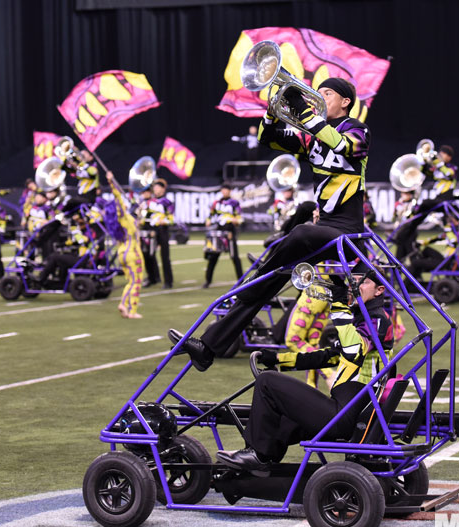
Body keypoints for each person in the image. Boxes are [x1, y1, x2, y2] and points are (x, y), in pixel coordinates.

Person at [169, 77, 370, 372]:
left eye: (326, 93)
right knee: (269, 283)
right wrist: (272, 112)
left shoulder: (357, 129)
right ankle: (208, 347)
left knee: (300, 231)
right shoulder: (313, 137)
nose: (319, 97)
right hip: (324, 233)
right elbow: (268, 138)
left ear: (345, 102)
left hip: (347, 231)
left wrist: (302, 109)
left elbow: (340, 144)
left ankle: (251, 284)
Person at [216, 269, 393, 472]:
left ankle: (258, 455)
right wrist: (279, 359)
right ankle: (253, 473)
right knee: (284, 418)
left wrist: (338, 305)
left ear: (379, 290)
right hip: (345, 410)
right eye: (351, 281)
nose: (353, 286)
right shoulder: (364, 318)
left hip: (345, 416)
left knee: (267, 381)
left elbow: (354, 350)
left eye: (361, 282)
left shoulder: (377, 319)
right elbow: (329, 356)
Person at [104, 171, 145, 319]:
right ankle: (131, 309)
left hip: (122, 251)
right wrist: (112, 182)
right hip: (133, 253)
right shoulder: (127, 220)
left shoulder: (123, 222)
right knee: (136, 281)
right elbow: (119, 201)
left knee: (131, 281)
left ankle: (125, 306)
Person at [203, 184, 243, 288]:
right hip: (218, 232)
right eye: (223, 190)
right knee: (213, 257)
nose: (225, 192)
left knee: (234, 257)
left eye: (227, 190)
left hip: (229, 232)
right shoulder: (217, 203)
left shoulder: (234, 203)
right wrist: (208, 221)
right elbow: (211, 215)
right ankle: (208, 280)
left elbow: (239, 217)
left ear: (230, 191)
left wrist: (236, 220)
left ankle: (241, 281)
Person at [148, 179, 175, 289]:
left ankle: (168, 281)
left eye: (158, 187)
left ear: (163, 189)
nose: (155, 189)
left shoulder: (167, 202)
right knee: (149, 254)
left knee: (165, 257)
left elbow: (172, 218)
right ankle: (153, 277)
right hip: (152, 231)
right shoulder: (150, 202)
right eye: (155, 187)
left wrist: (165, 221)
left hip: (162, 230)